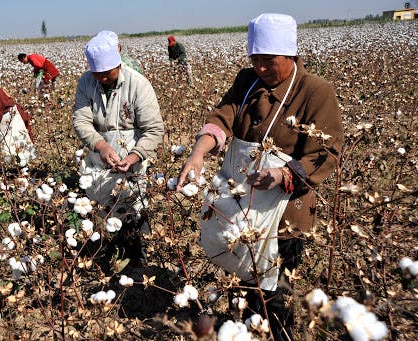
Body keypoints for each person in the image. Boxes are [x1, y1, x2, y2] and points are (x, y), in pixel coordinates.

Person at [176, 13, 344, 340]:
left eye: (269, 60)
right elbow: (222, 118)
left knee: (274, 292)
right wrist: (199, 152)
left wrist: (283, 174)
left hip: (287, 213)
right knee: (239, 276)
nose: (261, 67)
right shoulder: (246, 81)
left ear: (291, 55)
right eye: (255, 59)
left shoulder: (316, 92)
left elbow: (326, 153)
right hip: (242, 202)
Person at [72, 33, 164, 265]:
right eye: (98, 73)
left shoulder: (138, 84)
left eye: (108, 72)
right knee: (105, 207)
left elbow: (153, 130)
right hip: (100, 159)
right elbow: (81, 121)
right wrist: (101, 145)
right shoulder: (85, 83)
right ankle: (116, 248)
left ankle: (138, 257)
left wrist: (134, 156)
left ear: (118, 63)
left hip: (133, 161)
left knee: (135, 208)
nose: (102, 78)